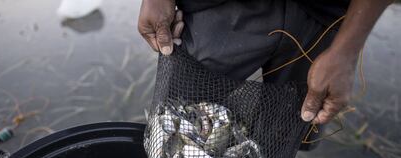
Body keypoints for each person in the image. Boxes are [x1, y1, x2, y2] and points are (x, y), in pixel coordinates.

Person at [138, 0, 393, 126]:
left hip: (323, 18)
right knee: (181, 120)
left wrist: (346, 52)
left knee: (287, 127)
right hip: (217, 7)